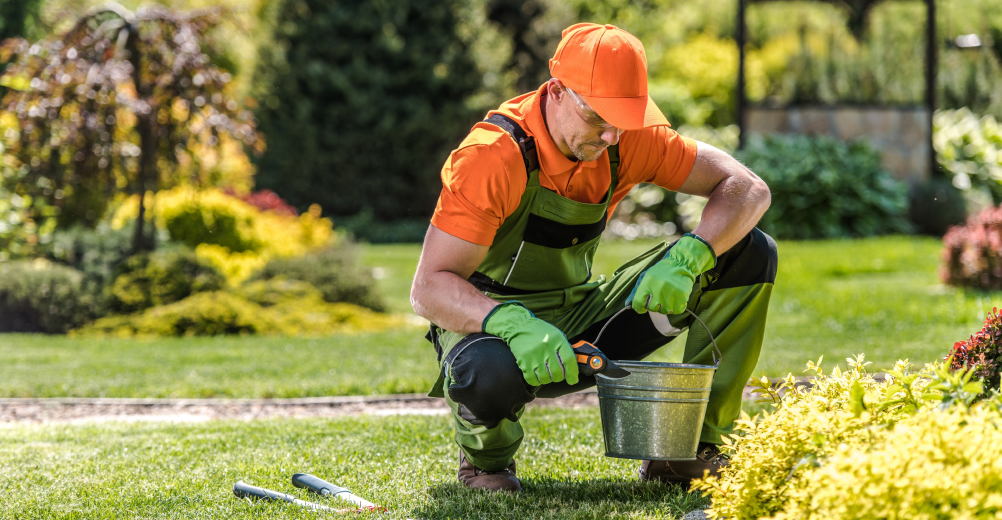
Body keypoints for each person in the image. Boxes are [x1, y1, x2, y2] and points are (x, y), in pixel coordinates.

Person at [410, 23, 775, 492]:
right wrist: (512, 323)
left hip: (586, 318)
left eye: (622, 120)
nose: (611, 135)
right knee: (485, 373)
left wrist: (692, 255)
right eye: (598, 117)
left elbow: (748, 189)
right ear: (558, 90)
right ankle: (487, 463)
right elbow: (429, 287)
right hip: (492, 332)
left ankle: (690, 452)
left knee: (749, 250)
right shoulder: (492, 157)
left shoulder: (625, 137)